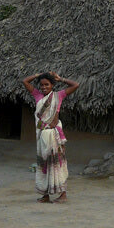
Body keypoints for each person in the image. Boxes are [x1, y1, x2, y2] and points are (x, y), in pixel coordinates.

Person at [22, 71, 79, 203]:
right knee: (44, 164)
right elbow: (25, 81)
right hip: (42, 135)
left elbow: (76, 84)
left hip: (53, 135)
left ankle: (63, 194)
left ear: (52, 85)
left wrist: (61, 79)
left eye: (47, 84)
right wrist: (38, 75)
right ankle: (45, 194)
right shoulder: (37, 95)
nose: (43, 87)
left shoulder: (59, 96)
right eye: (41, 85)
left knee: (57, 164)